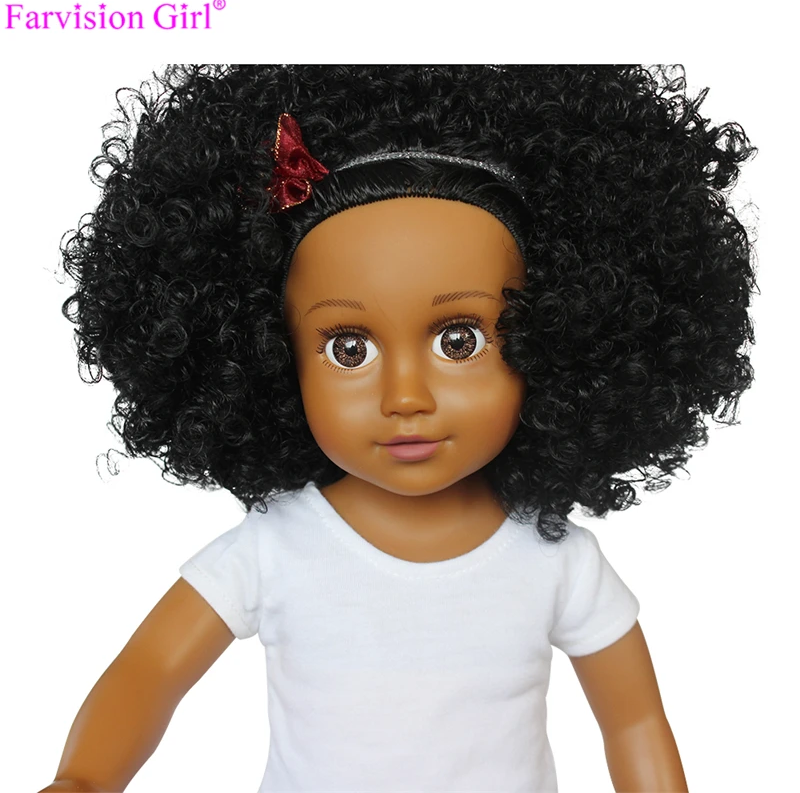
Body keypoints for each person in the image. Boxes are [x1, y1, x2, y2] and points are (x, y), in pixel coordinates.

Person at [39, 64, 757, 792]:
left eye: (459, 341)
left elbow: (633, 723)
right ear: (275, 357)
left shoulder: (556, 560)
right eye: (349, 350)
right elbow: (149, 673)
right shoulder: (273, 549)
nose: (404, 397)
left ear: (553, 338)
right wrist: (83, 779)